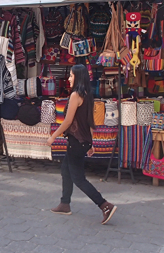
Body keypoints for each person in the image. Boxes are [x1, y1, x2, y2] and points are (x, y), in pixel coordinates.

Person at [46, 64, 117, 225]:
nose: (69, 78)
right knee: (66, 170)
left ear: (77, 77)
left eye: (71, 76)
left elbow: (68, 121)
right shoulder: (87, 95)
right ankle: (65, 203)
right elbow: (90, 122)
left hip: (76, 142)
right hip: (82, 141)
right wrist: (90, 143)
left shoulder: (76, 95)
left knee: (78, 178)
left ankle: (104, 205)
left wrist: (54, 136)